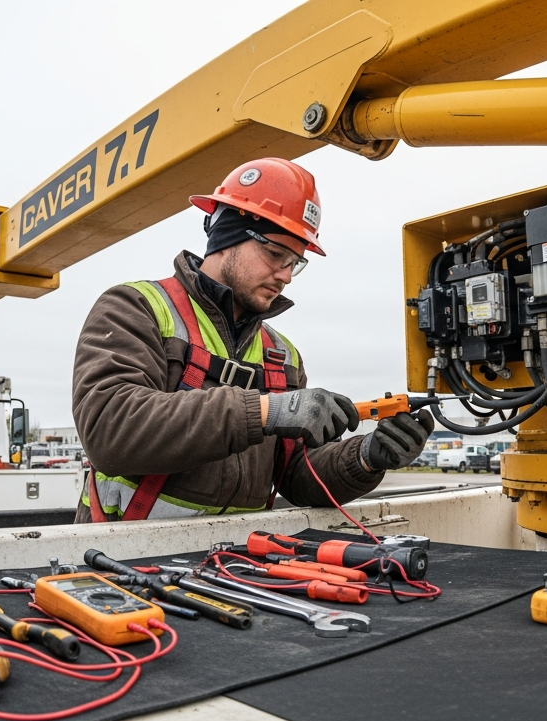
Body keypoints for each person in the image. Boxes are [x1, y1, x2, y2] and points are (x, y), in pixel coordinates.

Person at [71, 158, 434, 522]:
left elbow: (296, 476)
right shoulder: (136, 308)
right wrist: (266, 411)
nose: (286, 276)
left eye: (295, 263)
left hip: (234, 565)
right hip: (121, 559)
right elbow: (110, 427)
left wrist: (367, 456)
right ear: (227, 237)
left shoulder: (282, 355)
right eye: (276, 254)